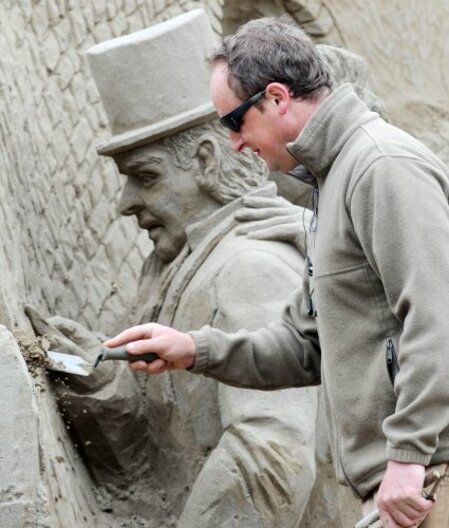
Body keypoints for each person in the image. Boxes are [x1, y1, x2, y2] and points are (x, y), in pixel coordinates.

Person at [105, 15, 449, 528]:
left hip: (425, 481)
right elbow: (305, 347)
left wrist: (408, 454)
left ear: (276, 97)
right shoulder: (331, 185)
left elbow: (438, 316)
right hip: (405, 486)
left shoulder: (381, 165)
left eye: (234, 122)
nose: (235, 144)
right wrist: (195, 349)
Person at [28, 11, 326, 527]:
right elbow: (171, 437)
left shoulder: (250, 265)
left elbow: (269, 458)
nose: (126, 203)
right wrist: (104, 383)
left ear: (207, 162)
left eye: (145, 176)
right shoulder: (180, 266)